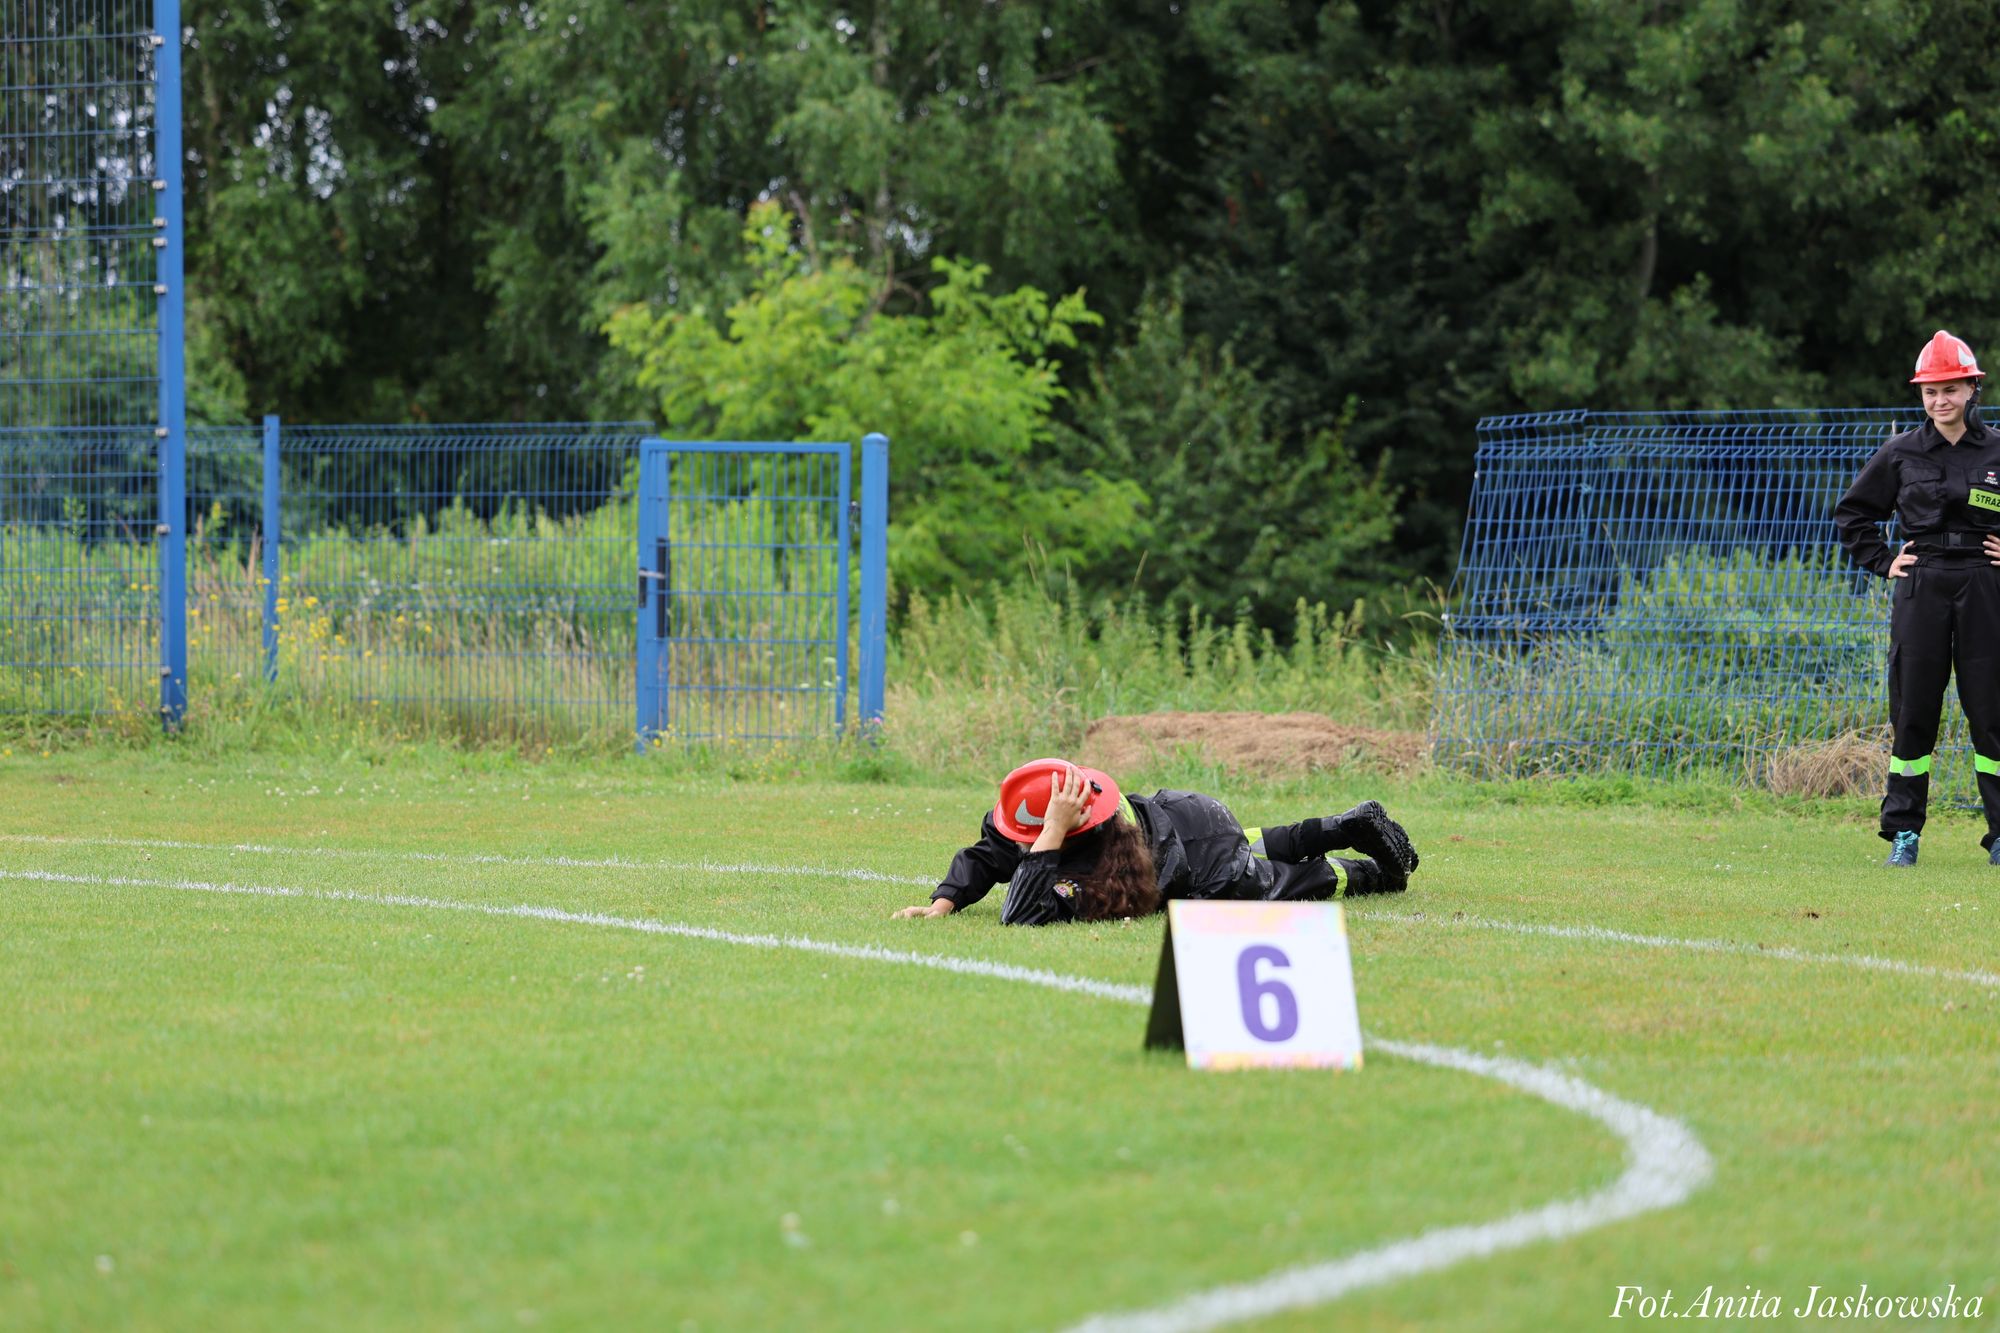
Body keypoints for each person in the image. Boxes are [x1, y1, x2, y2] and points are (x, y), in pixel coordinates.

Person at [1834, 329, 2000, 866]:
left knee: (1992, 713)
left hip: (1984, 588)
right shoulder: (1901, 452)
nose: (1940, 400)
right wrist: (1885, 562)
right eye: (1931, 391)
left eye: (1951, 389)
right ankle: (1904, 833)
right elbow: (1853, 513)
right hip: (1921, 585)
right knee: (1913, 712)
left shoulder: (1998, 450)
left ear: (1973, 389)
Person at [891, 758, 1419, 926]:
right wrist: (943, 904)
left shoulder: (1090, 862)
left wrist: (1049, 832)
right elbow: (988, 855)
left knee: (1277, 883)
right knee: (1248, 841)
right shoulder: (1086, 812)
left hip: (1204, 860)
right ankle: (1338, 825)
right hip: (1192, 815)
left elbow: (1021, 914)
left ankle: (1375, 872)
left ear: (1063, 825)